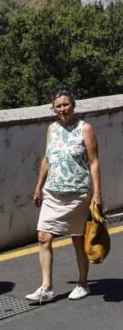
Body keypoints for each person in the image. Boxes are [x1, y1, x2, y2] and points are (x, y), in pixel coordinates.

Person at [27, 86, 102, 303]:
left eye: (66, 104)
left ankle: (83, 283)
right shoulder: (52, 129)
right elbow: (47, 159)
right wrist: (39, 186)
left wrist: (97, 193)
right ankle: (46, 287)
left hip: (77, 193)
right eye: (58, 106)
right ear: (53, 107)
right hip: (53, 191)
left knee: (78, 239)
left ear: (74, 104)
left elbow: (94, 162)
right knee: (43, 236)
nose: (63, 109)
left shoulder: (85, 128)